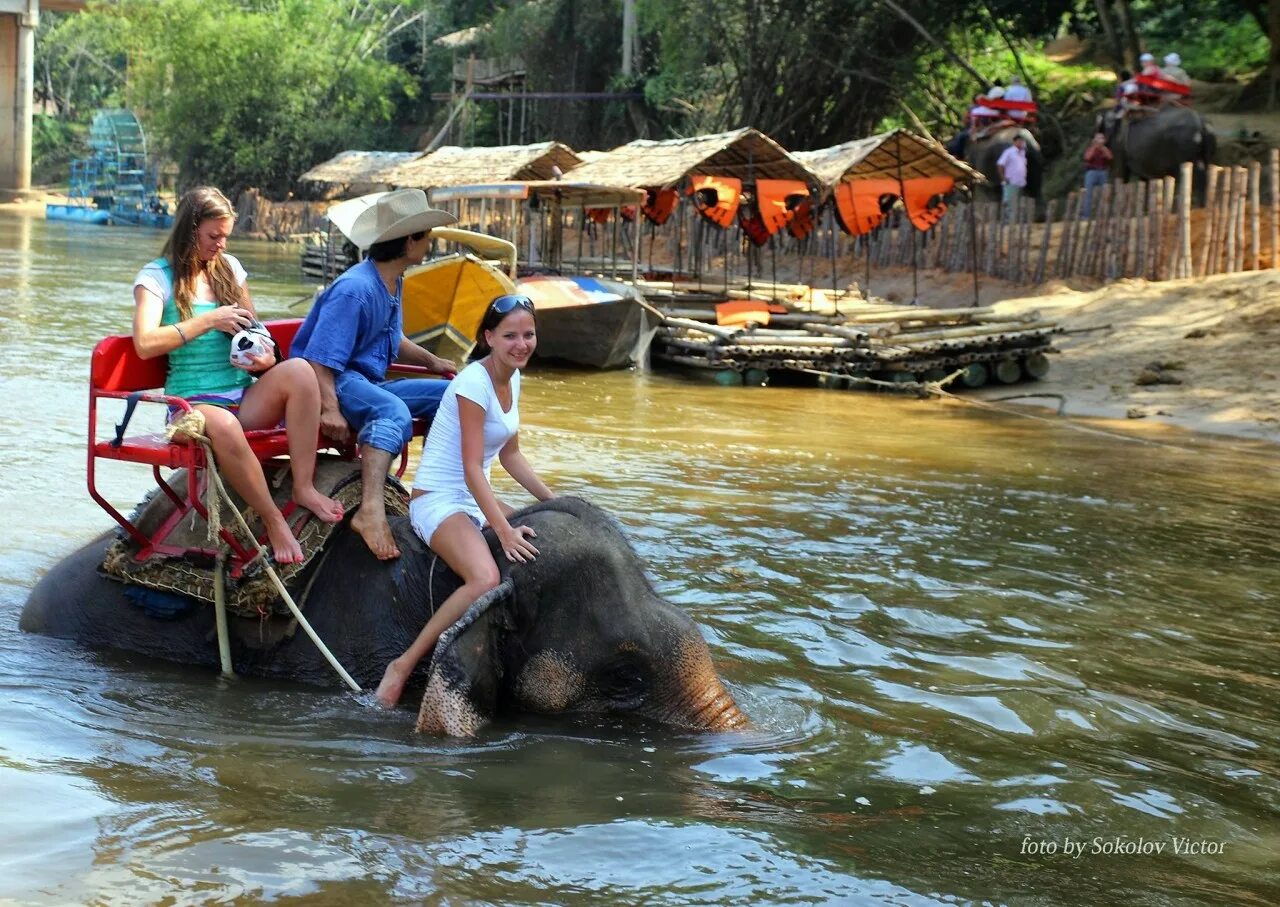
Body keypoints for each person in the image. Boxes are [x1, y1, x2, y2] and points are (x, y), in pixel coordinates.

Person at [131, 187, 343, 564]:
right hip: (191, 408)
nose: (221, 244)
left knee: (300, 371)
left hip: (241, 398)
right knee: (225, 426)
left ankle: (305, 487)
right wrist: (211, 319)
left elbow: (257, 332)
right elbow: (145, 344)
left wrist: (262, 356)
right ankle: (274, 520)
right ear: (189, 230)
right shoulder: (156, 278)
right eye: (214, 236)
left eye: (226, 236)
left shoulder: (229, 269)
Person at [375, 294, 555, 707]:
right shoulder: (473, 383)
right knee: (484, 578)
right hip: (440, 498)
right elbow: (473, 466)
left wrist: (556, 501)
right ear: (489, 337)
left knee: (548, 528)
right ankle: (402, 666)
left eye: (528, 335)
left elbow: (510, 455)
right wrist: (504, 529)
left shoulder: (514, 376)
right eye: (510, 336)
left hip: (475, 497)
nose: (521, 344)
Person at [291, 188, 459, 561]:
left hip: (369, 381)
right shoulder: (356, 289)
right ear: (410, 240)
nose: (429, 244)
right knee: (393, 412)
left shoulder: (392, 280)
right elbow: (318, 359)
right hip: (339, 380)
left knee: (454, 395)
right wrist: (329, 408)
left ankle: (438, 490)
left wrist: (432, 362)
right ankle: (370, 510)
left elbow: (391, 337)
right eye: (426, 236)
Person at [996, 134, 1028, 218]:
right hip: (1011, 181)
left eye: (1022, 141)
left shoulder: (1023, 153)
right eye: (1019, 141)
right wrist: (1003, 178)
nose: (1021, 143)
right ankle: (1008, 222)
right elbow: (1000, 164)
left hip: (1020, 182)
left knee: (1018, 203)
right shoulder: (1009, 152)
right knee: (1009, 202)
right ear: (1014, 142)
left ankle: (1015, 221)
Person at [1082, 133, 1113, 218]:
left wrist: (1102, 147)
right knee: (1088, 194)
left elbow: (1110, 157)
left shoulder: (1105, 149)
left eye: (1101, 138)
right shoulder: (1091, 148)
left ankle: (1104, 215)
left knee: (1104, 194)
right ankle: (1086, 216)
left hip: (1102, 172)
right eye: (1098, 138)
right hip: (1091, 172)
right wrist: (1094, 147)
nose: (1100, 140)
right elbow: (1087, 158)